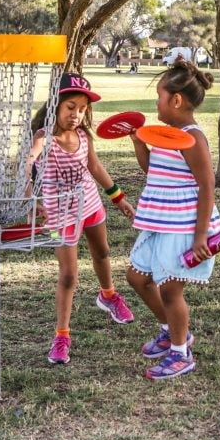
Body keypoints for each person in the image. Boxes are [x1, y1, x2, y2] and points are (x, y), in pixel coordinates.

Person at [28, 73, 137, 365]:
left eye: (82, 109)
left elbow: (96, 167)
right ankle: (62, 335)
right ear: (55, 106)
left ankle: (108, 295)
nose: (76, 114)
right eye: (70, 107)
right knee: (68, 275)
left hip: (90, 205)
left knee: (102, 252)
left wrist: (119, 198)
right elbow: (27, 162)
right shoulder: (43, 137)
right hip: (55, 216)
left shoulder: (83, 136)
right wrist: (31, 200)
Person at [126, 60, 220, 380]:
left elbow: (207, 185)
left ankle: (181, 353)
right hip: (159, 219)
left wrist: (199, 238)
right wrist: (140, 144)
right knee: (137, 277)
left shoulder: (193, 137)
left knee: (170, 289)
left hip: (183, 224)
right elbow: (151, 171)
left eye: (160, 96)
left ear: (176, 101)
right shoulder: (167, 135)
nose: (157, 102)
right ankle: (170, 330)